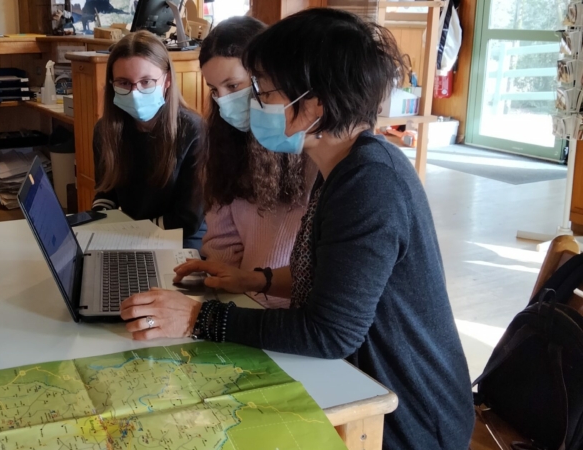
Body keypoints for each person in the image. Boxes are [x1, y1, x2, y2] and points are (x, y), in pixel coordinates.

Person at [120, 9, 474, 449]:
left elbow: (330, 333)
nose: (254, 105)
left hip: (408, 419)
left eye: (264, 92)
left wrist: (198, 317)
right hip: (366, 381)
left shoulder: (368, 183)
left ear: (314, 105)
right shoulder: (348, 165)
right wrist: (258, 279)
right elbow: (339, 278)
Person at [198, 16, 317, 309]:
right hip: (245, 302)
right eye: (214, 90)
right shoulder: (224, 142)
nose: (223, 101)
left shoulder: (308, 144)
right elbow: (221, 242)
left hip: (297, 312)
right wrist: (222, 293)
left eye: (233, 85)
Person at [92, 31, 206, 249]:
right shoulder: (105, 130)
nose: (135, 92)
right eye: (124, 83)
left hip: (181, 239)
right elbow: (105, 192)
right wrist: (98, 226)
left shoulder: (193, 130)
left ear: (167, 81)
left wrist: (129, 232)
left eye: (146, 82)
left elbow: (188, 219)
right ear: (111, 84)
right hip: (132, 235)